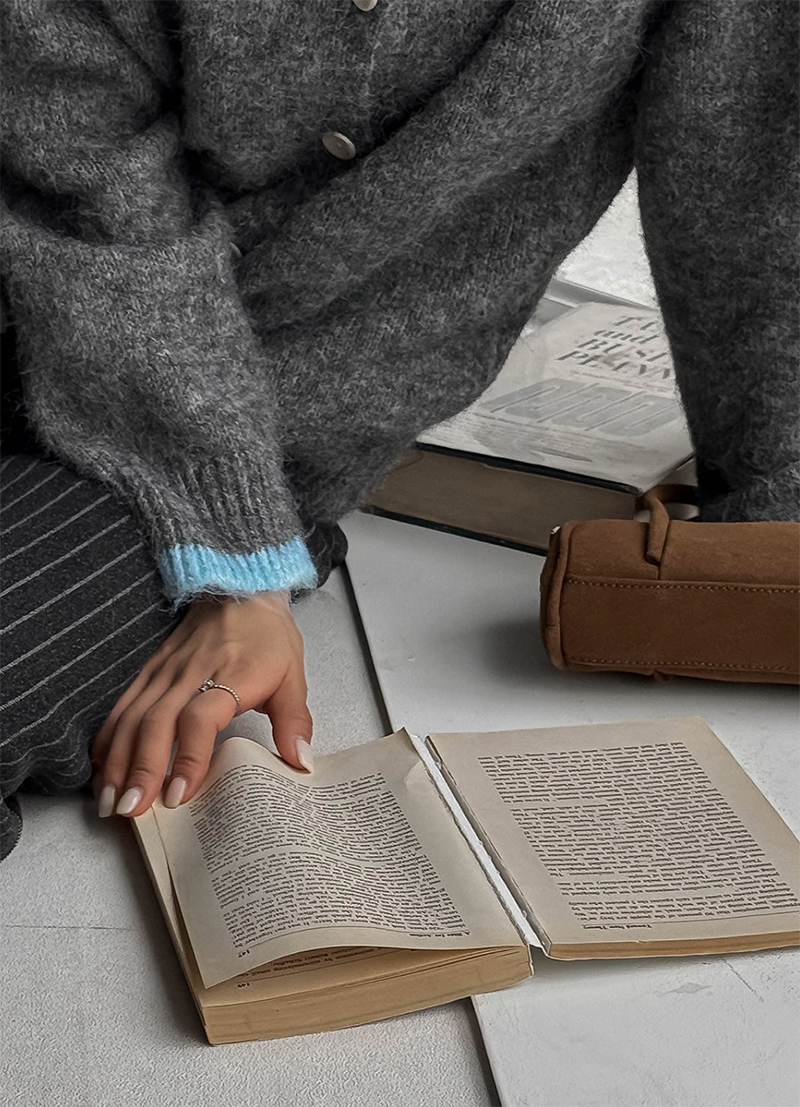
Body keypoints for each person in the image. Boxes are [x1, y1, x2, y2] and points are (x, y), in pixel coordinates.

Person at [0, 0, 797, 861]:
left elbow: (749, 191)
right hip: (90, 343)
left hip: (196, 446)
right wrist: (240, 560)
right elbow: (81, 177)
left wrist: (772, 530)